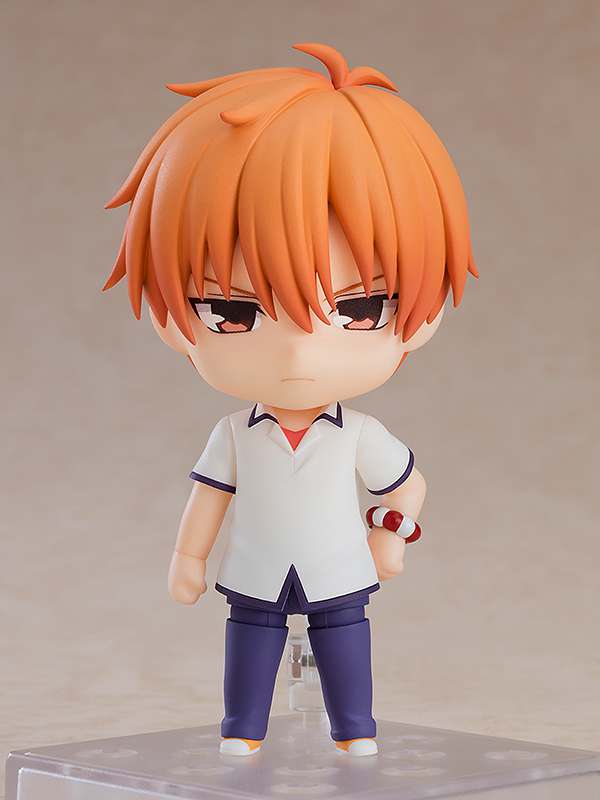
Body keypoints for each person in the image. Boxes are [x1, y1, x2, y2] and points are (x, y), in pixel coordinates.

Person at [104, 41, 477, 757]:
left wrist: (391, 532)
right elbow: (208, 498)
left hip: (340, 567)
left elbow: (407, 484)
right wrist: (187, 557)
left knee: (346, 646)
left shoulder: (357, 431)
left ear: (422, 316)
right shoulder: (234, 432)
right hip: (254, 569)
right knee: (249, 646)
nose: (300, 352)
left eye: (359, 308)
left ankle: (354, 731)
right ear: (170, 321)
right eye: (232, 312)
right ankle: (243, 729)